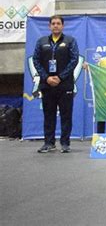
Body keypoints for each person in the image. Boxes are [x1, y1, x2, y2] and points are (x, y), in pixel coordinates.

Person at [33, 15, 79, 153]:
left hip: (65, 85)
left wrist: (59, 77)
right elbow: (36, 60)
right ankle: (49, 143)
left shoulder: (70, 41)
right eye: (53, 23)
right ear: (49, 26)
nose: (56, 25)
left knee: (66, 115)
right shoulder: (41, 42)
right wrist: (46, 78)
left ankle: (65, 143)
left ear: (63, 26)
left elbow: (74, 60)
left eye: (58, 23)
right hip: (47, 85)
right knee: (49, 115)